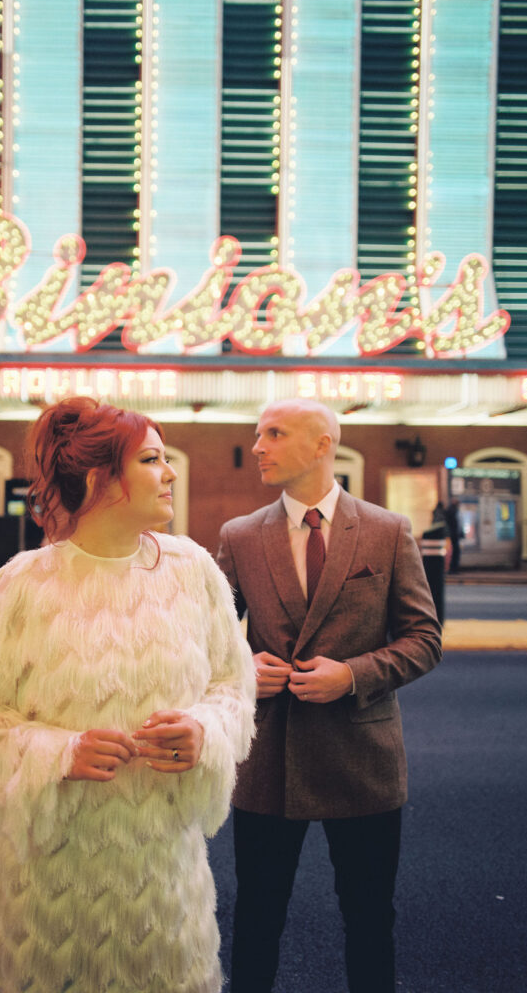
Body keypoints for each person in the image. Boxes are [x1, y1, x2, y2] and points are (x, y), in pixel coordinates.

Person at [0, 397, 256, 993]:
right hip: (51, 891)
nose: (171, 474)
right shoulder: (21, 586)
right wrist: (60, 754)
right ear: (98, 478)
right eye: (154, 459)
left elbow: (232, 686)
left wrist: (205, 730)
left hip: (164, 878)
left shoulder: (193, 571)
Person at [216, 398, 442, 993]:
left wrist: (354, 675)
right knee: (257, 919)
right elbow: (207, 643)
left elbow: (424, 639)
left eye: (274, 433)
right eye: (257, 433)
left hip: (362, 760)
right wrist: (241, 666)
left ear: (323, 445)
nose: (259, 446)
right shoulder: (239, 536)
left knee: (370, 920)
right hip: (269, 762)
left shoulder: (387, 531)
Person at [444, 500, 463, 574]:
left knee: (455, 551)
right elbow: (456, 524)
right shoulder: (453, 511)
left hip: (453, 534)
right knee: (456, 551)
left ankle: (453, 568)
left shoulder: (450, 511)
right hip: (454, 535)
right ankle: (453, 569)